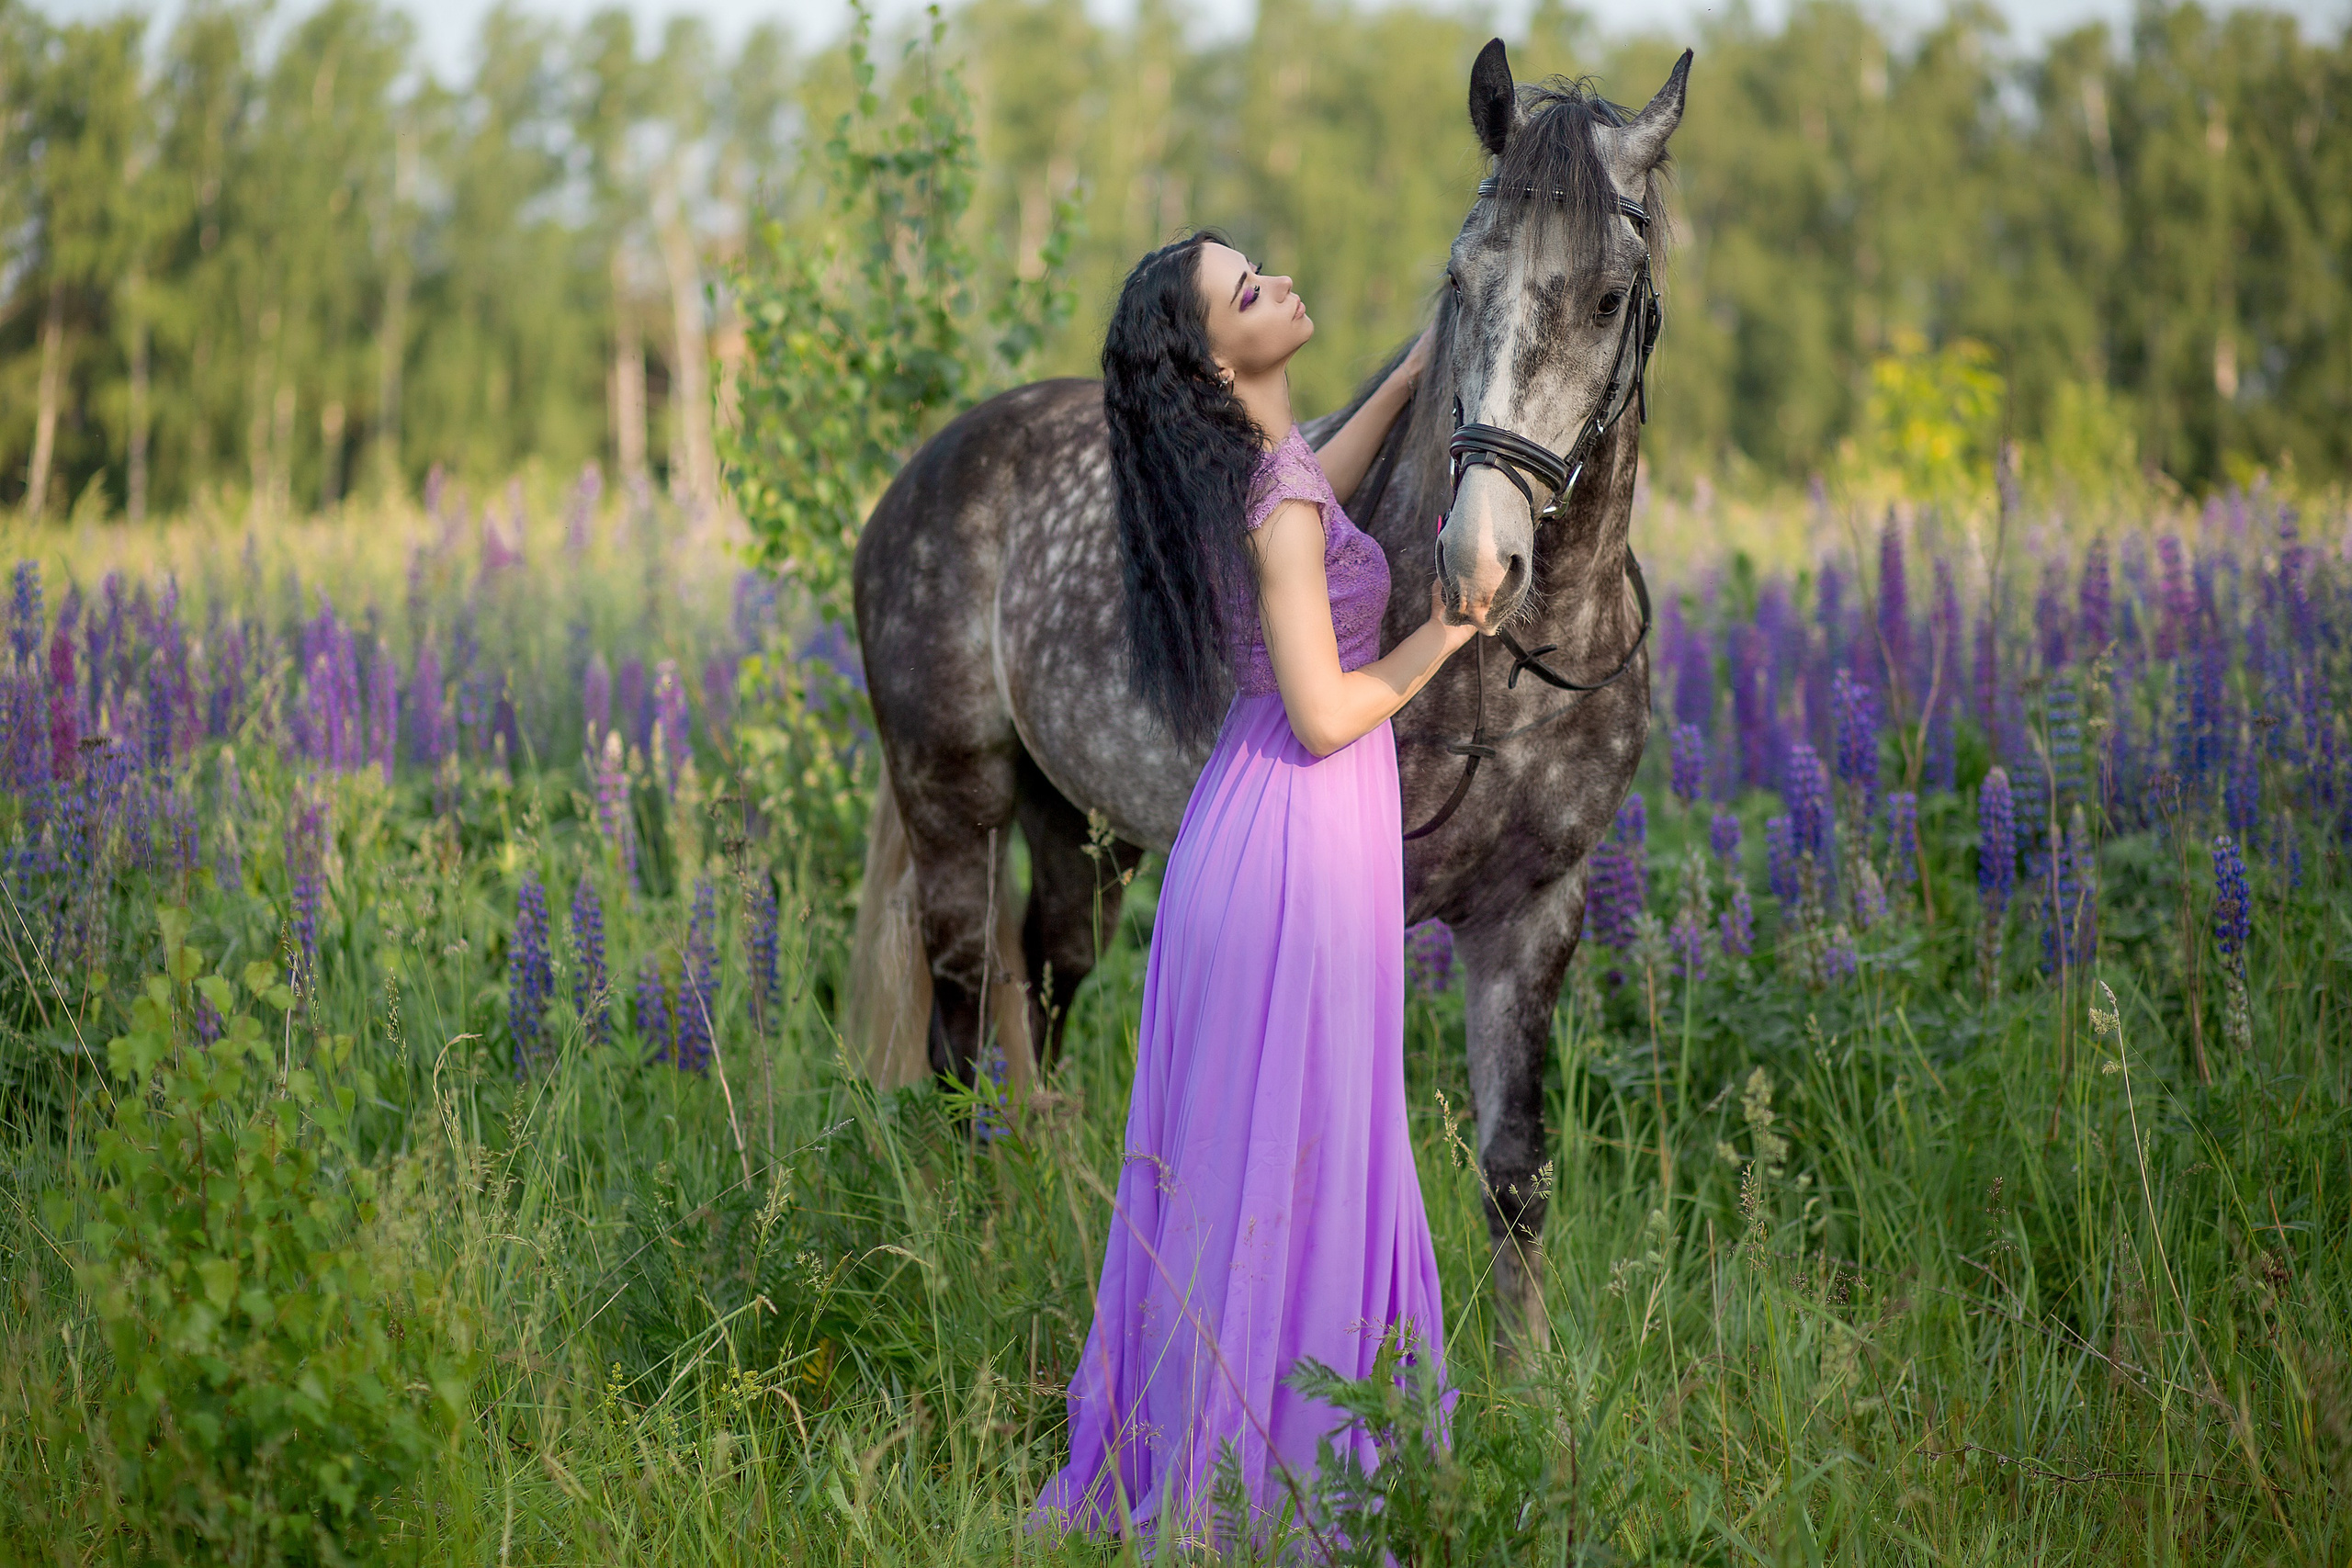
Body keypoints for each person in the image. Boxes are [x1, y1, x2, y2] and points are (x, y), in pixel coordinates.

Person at [1032, 231, 1475, 1547]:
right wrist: (1456, 621)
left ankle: (1249, 1440)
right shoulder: (1270, 503)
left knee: (1253, 1157)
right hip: (1299, 835)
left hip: (1252, 826)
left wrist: (1400, 387)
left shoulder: (1265, 478)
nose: (1281, 282)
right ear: (1221, 357)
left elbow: (1314, 515)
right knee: (1309, 1146)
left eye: (1267, 267)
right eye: (1249, 291)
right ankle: (1281, 1482)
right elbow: (1333, 711)